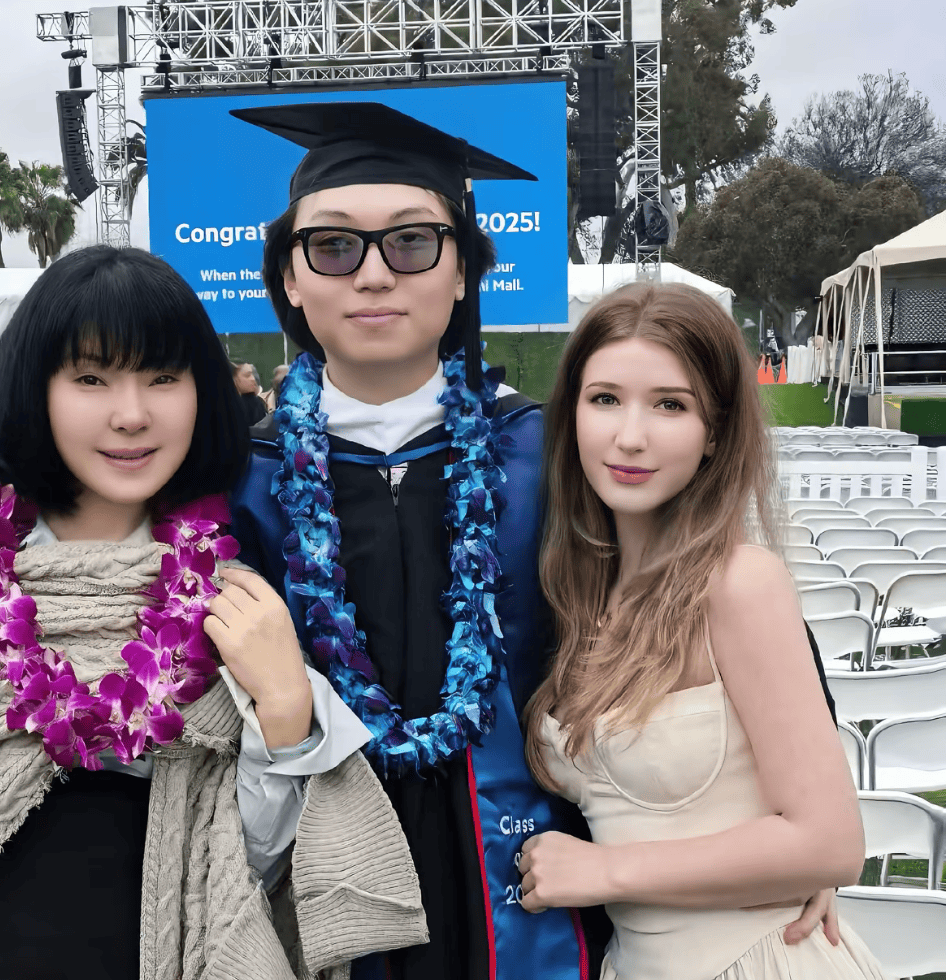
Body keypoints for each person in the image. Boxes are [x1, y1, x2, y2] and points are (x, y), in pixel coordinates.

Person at [228, 103, 840, 980]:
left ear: (464, 272)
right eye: (332, 246)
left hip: (536, 889)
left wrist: (794, 840)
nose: (374, 274)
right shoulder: (243, 483)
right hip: (329, 887)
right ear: (288, 278)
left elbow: (707, 608)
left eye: (412, 242)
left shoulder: (549, 455)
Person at [0, 245, 424, 980]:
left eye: (163, 378)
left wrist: (285, 715)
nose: (131, 415)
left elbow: (250, 880)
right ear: (35, 389)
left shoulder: (235, 605)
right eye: (91, 378)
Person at [523, 283, 887, 980]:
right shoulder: (579, 593)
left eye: (671, 405)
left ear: (714, 431)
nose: (631, 436)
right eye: (605, 399)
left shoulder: (739, 582)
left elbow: (832, 844)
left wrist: (604, 870)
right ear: (570, 414)